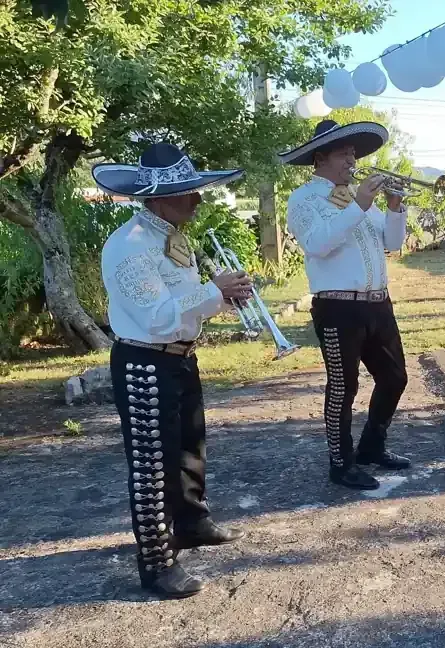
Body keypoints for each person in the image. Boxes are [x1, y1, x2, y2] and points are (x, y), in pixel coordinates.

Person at [95, 143, 253, 599]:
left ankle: (191, 524)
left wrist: (224, 295)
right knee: (152, 466)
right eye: (188, 192)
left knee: (189, 446)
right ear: (160, 198)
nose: (198, 200)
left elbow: (185, 310)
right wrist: (212, 289)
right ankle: (156, 562)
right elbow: (156, 315)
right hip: (145, 359)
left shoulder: (171, 238)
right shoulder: (126, 247)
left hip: (179, 355)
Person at [279, 120, 410, 491]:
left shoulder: (356, 197)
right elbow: (318, 244)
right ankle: (341, 462)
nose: (353, 159)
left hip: (377, 303)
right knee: (343, 386)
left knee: (395, 378)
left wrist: (396, 208)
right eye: (345, 153)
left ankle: (372, 446)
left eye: (354, 152)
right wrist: (360, 204)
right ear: (321, 158)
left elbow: (393, 242)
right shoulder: (305, 198)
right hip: (337, 308)